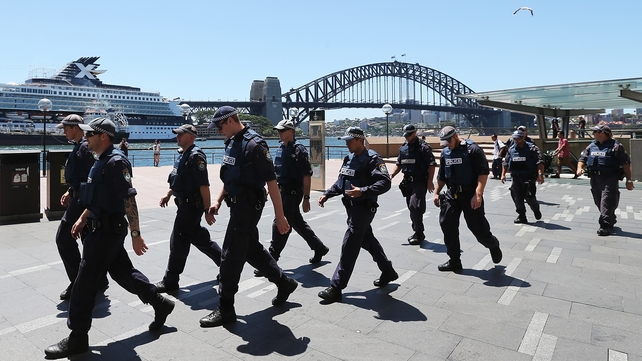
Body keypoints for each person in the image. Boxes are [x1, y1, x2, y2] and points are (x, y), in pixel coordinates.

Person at [45, 118, 174, 359]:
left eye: (90, 134)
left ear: (103, 136)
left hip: (107, 232)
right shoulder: (99, 161)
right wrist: (83, 218)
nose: (86, 138)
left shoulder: (116, 162)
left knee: (84, 284)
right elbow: (96, 197)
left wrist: (136, 234)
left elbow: (129, 199)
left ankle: (77, 339)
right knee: (123, 273)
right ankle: (160, 303)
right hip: (98, 228)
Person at [200, 106, 298, 327]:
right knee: (251, 249)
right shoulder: (233, 142)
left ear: (231, 121)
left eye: (219, 126)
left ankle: (226, 308)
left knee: (230, 255)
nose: (217, 131)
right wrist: (217, 200)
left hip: (248, 205)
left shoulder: (255, 145)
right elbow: (230, 177)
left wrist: (280, 216)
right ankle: (284, 282)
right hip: (236, 204)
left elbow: (272, 182)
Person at [317, 127, 398, 303]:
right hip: (351, 208)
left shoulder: (373, 159)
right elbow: (341, 183)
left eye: (349, 140)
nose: (346, 143)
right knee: (366, 240)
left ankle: (336, 287)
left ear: (360, 140)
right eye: (345, 140)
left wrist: (363, 191)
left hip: (364, 208)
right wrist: (327, 194)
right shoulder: (349, 158)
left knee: (350, 243)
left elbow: (385, 183)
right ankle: (388, 271)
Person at [254, 119, 329, 277]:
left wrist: (307, 198)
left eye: (282, 130)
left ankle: (271, 261)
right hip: (282, 191)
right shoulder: (281, 148)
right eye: (278, 131)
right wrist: (271, 188)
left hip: (293, 193)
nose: (279, 133)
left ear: (290, 131)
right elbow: (277, 171)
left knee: (280, 224)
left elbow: (306, 175)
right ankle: (319, 247)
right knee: (297, 223)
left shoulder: (299, 150)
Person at [155, 124, 222, 293]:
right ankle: (226, 264)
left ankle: (170, 280)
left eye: (181, 134)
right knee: (199, 239)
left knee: (178, 241)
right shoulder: (182, 155)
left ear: (191, 137)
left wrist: (207, 210)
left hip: (191, 206)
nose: (177, 137)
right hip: (183, 204)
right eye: (177, 134)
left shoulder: (196, 156)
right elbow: (179, 179)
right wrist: (169, 194)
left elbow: (204, 186)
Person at [433, 126, 502, 272]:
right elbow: (442, 176)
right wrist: (436, 192)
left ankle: (492, 244)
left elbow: (483, 173)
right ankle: (454, 260)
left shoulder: (473, 150)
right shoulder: (445, 153)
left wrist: (478, 194)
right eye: (444, 142)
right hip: (452, 194)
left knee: (477, 229)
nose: (447, 144)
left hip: (470, 194)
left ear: (456, 136)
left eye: (449, 141)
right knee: (447, 225)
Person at [53, 114, 108, 300]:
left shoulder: (84, 148)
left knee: (64, 239)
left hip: (82, 202)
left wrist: (87, 206)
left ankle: (79, 282)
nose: (64, 131)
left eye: (66, 128)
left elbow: (93, 176)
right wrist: (70, 190)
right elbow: (83, 175)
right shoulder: (80, 146)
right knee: (87, 241)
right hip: (79, 198)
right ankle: (97, 279)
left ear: (76, 128)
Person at [576, 124, 634, 236]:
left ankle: (604, 225)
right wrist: (579, 168)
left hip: (609, 177)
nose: (593, 134)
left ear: (602, 133)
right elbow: (582, 158)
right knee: (598, 200)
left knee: (606, 199)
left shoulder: (616, 146)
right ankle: (610, 218)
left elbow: (625, 163)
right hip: (595, 178)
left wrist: (629, 180)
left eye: (595, 132)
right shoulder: (592, 145)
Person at [389, 124, 436, 245]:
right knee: (412, 208)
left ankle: (419, 233)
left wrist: (430, 181)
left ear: (415, 133)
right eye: (405, 135)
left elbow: (431, 164)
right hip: (407, 182)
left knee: (415, 206)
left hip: (420, 181)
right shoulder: (403, 147)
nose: (407, 137)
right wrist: (392, 175)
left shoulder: (423, 147)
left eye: (409, 135)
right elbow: (399, 163)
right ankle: (417, 230)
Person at [501, 130, 544, 224]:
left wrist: (540, 174)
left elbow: (539, 161)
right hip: (516, 177)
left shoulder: (532, 148)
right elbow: (505, 162)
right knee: (517, 197)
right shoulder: (511, 149)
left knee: (529, 196)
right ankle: (522, 215)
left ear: (523, 137)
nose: (517, 140)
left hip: (528, 177)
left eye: (519, 138)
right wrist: (503, 175)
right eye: (515, 138)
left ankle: (535, 209)